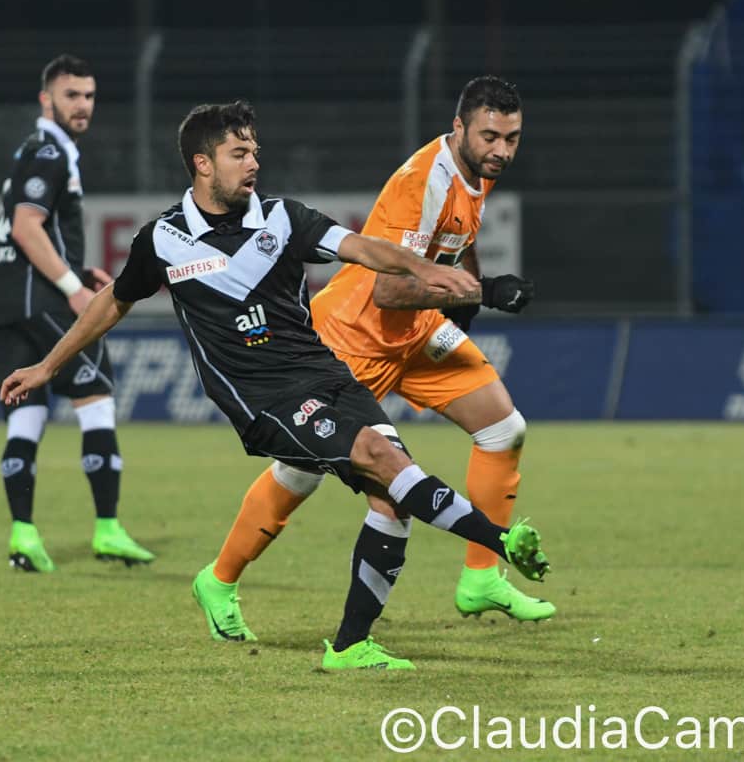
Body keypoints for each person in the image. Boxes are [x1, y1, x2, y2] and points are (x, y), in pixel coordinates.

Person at [0, 100, 550, 670]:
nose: (253, 163)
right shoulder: (162, 240)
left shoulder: (283, 218)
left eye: (255, 151)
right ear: (203, 164)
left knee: (391, 498)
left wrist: (424, 269)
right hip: (264, 401)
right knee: (382, 460)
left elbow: (362, 246)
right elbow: (112, 302)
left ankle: (351, 645)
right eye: (239, 153)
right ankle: (499, 542)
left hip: (328, 375)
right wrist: (47, 367)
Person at [209, 75, 552, 624]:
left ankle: (482, 578)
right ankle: (219, 580)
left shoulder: (478, 171)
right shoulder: (423, 182)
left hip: (416, 331)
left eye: (511, 139)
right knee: (300, 474)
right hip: (352, 339)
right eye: (490, 137)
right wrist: (483, 292)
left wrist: (465, 299)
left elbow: (458, 242)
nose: (501, 150)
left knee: (503, 429)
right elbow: (389, 290)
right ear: (459, 127)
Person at [0, 54, 154, 572]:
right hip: (42, 303)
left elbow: (25, 231)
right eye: (71, 95)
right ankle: (108, 529)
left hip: (3, 304)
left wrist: (77, 271)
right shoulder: (49, 151)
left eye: (89, 96)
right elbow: (26, 227)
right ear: (47, 100)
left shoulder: (31, 151)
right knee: (96, 396)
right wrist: (72, 289)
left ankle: (24, 537)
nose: (82, 105)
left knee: (26, 415)